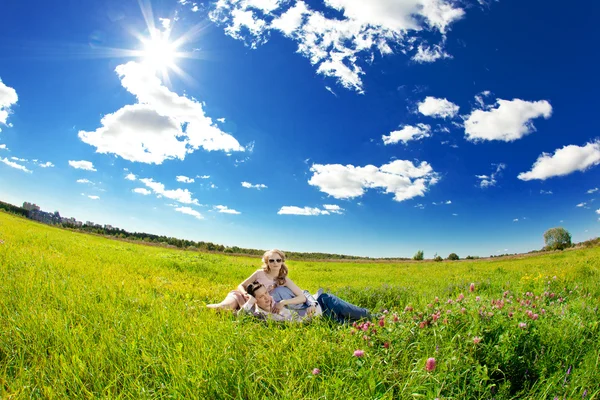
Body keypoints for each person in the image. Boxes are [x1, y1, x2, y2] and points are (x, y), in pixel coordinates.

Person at [207, 249, 306, 311]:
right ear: (267, 263)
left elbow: (302, 297)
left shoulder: (284, 280)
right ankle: (198, 309)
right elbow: (241, 286)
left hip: (259, 307)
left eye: (278, 260)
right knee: (223, 308)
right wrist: (246, 294)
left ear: (282, 262)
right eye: (271, 260)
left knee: (232, 315)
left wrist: (283, 302)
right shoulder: (260, 273)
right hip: (243, 298)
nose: (275, 263)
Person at [240, 281, 371, 323]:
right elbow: (240, 318)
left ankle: (383, 317)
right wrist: (250, 301)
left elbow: (305, 293)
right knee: (358, 325)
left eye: (266, 293)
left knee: (365, 316)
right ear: (255, 300)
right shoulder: (259, 315)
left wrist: (312, 304)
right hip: (325, 319)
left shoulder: (278, 295)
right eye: (261, 296)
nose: (268, 298)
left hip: (324, 303)